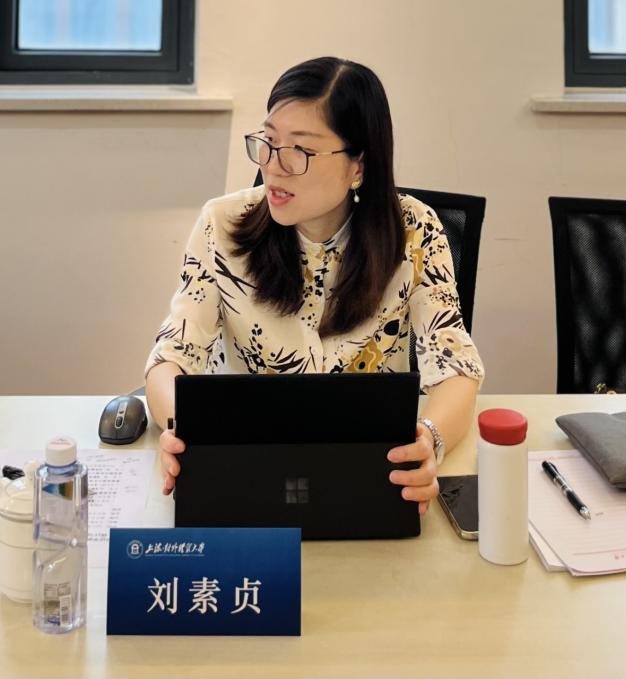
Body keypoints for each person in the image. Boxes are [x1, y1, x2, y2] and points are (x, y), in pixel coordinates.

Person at [145, 56, 484, 515]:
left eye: (300, 150)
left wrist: (429, 438)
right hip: (245, 473)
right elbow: (169, 360)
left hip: (366, 476)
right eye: (268, 142)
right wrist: (181, 429)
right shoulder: (222, 225)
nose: (274, 167)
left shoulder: (414, 231)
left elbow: (456, 368)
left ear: (358, 164)